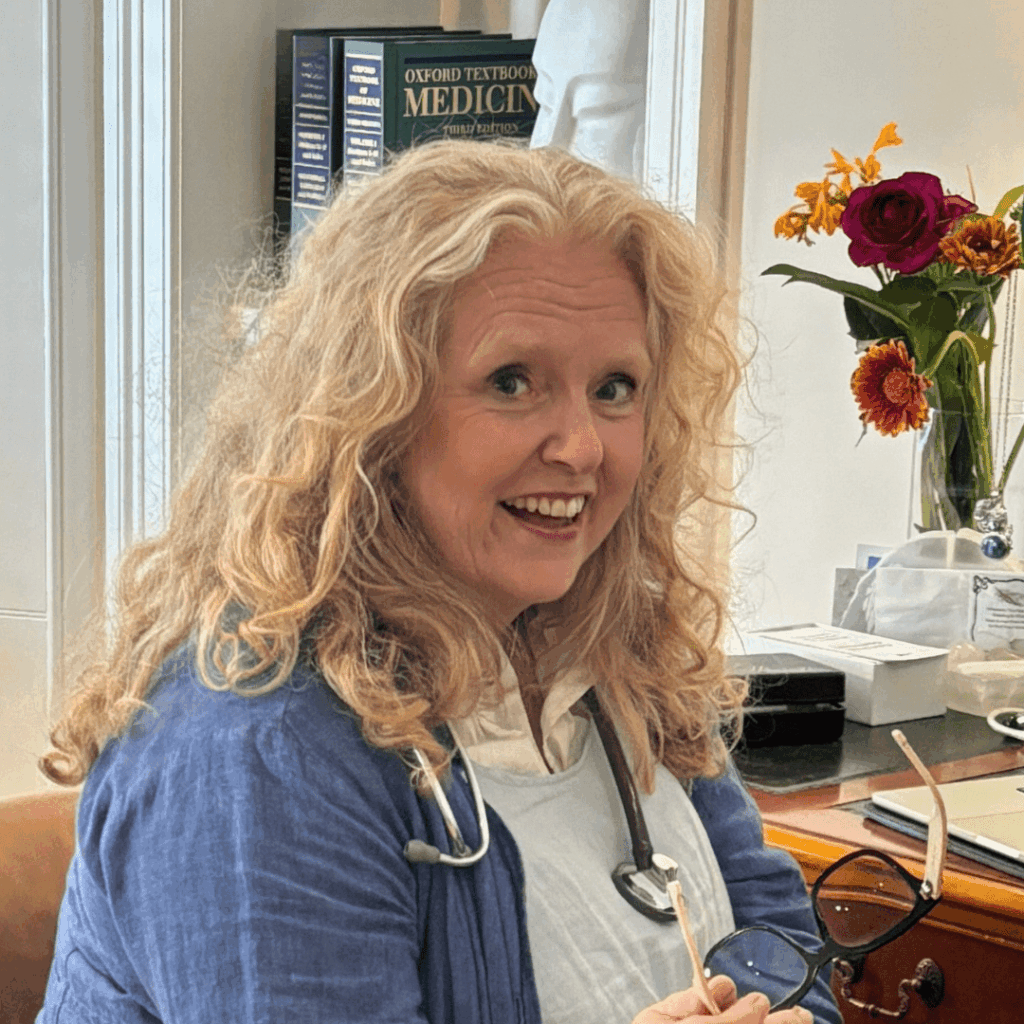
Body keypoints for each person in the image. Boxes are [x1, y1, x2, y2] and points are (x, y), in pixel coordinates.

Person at [37, 140, 841, 1024]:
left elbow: (781, 946)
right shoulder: (253, 748)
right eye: (512, 382)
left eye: (615, 388)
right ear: (372, 411)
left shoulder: (616, 648)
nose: (582, 446)